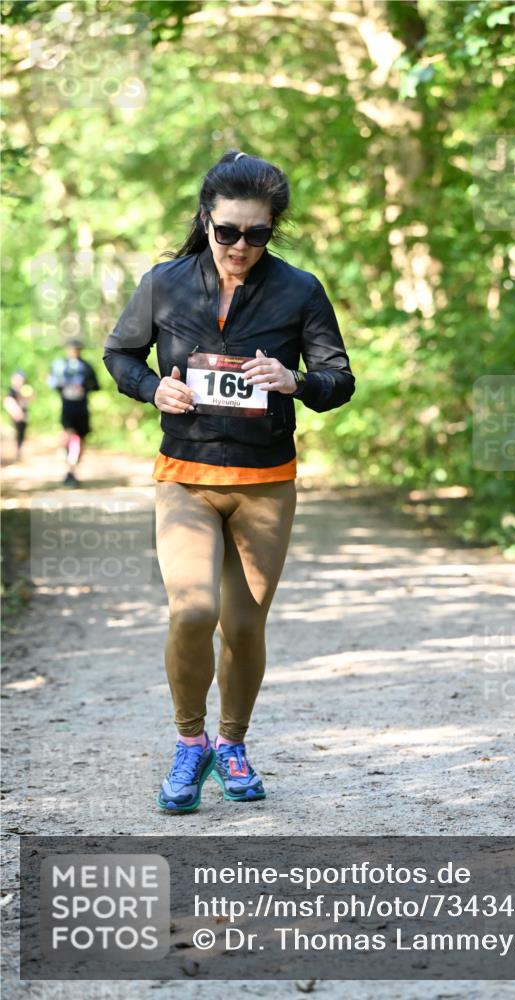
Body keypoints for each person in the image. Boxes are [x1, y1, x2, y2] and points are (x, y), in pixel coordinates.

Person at [103, 149, 355, 812]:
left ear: (273, 229)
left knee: (243, 627)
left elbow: (340, 381)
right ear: (206, 221)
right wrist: (151, 387)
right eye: (227, 232)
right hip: (185, 475)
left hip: (264, 482)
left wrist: (295, 381)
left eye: (257, 234)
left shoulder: (299, 290)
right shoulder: (164, 283)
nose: (240, 245)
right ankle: (190, 745)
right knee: (192, 610)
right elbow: (119, 353)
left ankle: (231, 743)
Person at [47, 338, 100, 486]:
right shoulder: (59, 365)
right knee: (68, 436)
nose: (74, 352)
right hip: (67, 406)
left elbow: (96, 385)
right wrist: (63, 388)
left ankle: (73, 470)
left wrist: (84, 388)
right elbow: (51, 382)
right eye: (72, 349)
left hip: (82, 407)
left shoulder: (87, 366)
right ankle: (69, 469)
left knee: (81, 438)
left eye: (77, 349)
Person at [3, 370, 33, 462]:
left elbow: (30, 400)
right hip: (15, 417)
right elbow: (8, 401)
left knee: (21, 435)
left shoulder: (24, 389)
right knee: (15, 435)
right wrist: (15, 411)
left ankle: (18, 453)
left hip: (23, 417)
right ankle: (11, 455)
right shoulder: (12, 390)